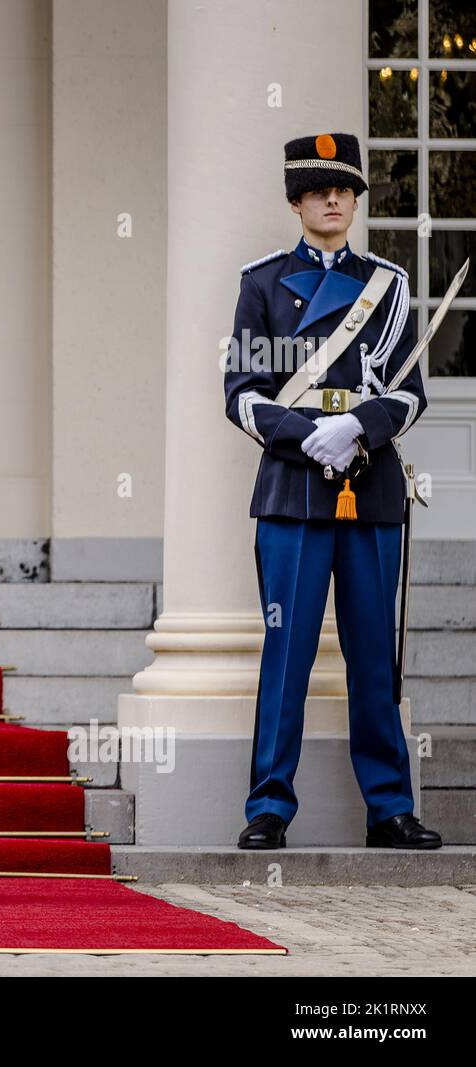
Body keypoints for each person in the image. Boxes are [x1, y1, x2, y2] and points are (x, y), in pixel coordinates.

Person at [223, 131, 441, 851]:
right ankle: (268, 805)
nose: (334, 200)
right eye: (319, 190)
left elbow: (410, 393)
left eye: (345, 189)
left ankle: (388, 805)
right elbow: (241, 393)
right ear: (296, 201)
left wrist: (359, 427)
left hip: (369, 484)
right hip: (293, 487)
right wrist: (302, 433)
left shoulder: (389, 282)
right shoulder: (261, 282)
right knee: (286, 651)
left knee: (375, 651)